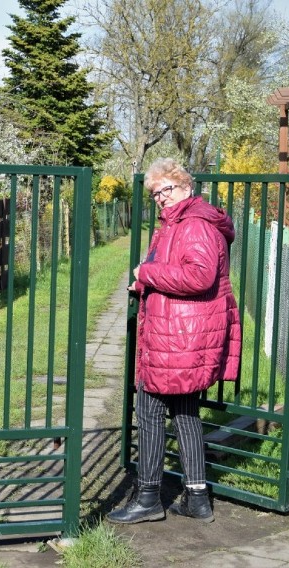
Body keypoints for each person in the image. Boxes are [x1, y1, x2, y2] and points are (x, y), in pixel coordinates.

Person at [107, 157, 241, 524]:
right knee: (185, 413)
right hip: (184, 336)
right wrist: (145, 281)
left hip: (179, 338)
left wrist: (146, 271)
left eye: (165, 189)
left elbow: (199, 276)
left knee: (149, 410)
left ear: (185, 186)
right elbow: (178, 269)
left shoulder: (194, 225)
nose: (160, 198)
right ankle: (197, 498)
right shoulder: (180, 223)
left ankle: (148, 496)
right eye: (154, 193)